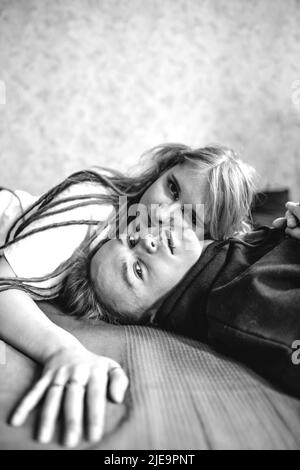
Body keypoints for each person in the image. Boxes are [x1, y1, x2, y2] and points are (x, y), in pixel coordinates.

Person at [0, 143, 256, 447]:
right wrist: (62, 350)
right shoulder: (97, 206)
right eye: (172, 189)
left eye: (191, 218)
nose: (163, 213)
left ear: (207, 241)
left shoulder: (185, 265)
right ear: (163, 170)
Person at [155, 200, 300, 398]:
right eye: (136, 270)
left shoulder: (228, 255)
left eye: (131, 240)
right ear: (150, 316)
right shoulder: (239, 304)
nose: (147, 240)